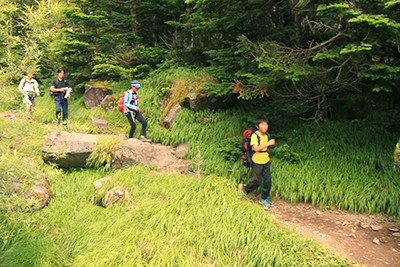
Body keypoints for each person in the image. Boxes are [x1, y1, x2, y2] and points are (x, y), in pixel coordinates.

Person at [239, 116, 276, 208]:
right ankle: (244, 189)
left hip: (266, 160)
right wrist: (268, 143)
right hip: (257, 160)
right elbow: (256, 148)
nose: (265, 126)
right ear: (257, 126)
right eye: (262, 125)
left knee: (268, 181)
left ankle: (263, 199)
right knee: (257, 181)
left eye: (266, 124)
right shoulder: (255, 136)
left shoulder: (266, 135)